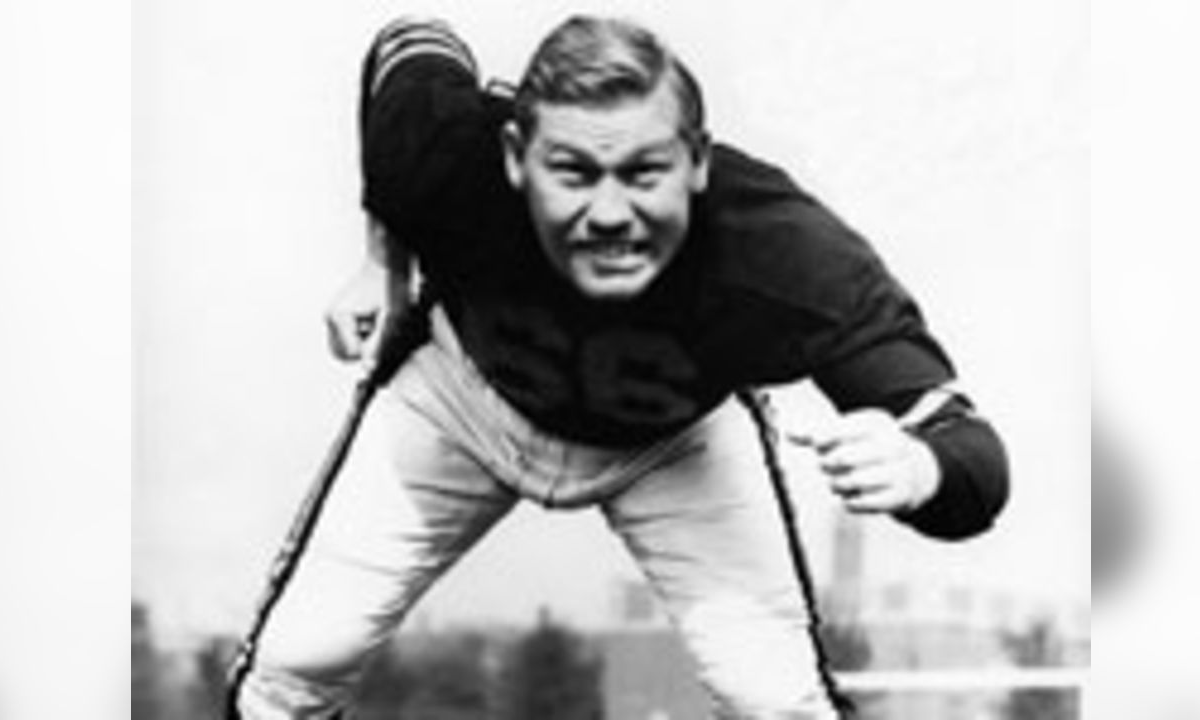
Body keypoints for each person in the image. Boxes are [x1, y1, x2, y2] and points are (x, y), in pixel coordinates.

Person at [235, 15, 1009, 719]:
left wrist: (920, 468)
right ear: (512, 156)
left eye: (643, 173)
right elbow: (407, 42)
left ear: (699, 163)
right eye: (572, 172)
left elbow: (972, 456)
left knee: (778, 700)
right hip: (461, 399)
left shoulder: (780, 251)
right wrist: (383, 256)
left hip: (671, 444)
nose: (609, 214)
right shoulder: (445, 154)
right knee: (294, 665)